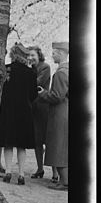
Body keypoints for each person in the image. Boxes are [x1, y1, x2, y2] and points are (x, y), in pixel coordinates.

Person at [0, 43, 37, 185]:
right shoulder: (31, 72)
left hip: (8, 111)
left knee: (8, 143)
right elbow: (33, 94)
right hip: (24, 111)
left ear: (13, 54)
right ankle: (21, 174)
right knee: (21, 145)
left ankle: (7, 172)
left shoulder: (7, 70)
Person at [38, 41, 69, 191]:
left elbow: (57, 96)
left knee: (58, 146)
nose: (52, 55)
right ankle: (64, 180)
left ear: (62, 53)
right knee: (62, 145)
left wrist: (43, 93)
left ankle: (65, 182)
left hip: (60, 113)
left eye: (55, 52)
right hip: (65, 111)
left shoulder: (61, 72)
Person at [28, 45, 58, 182]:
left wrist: (25, 79)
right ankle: (39, 169)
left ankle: (55, 173)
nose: (30, 58)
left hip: (44, 108)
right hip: (34, 109)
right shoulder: (30, 69)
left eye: (33, 55)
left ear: (39, 55)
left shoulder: (45, 67)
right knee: (37, 141)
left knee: (49, 140)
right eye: (28, 55)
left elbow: (37, 82)